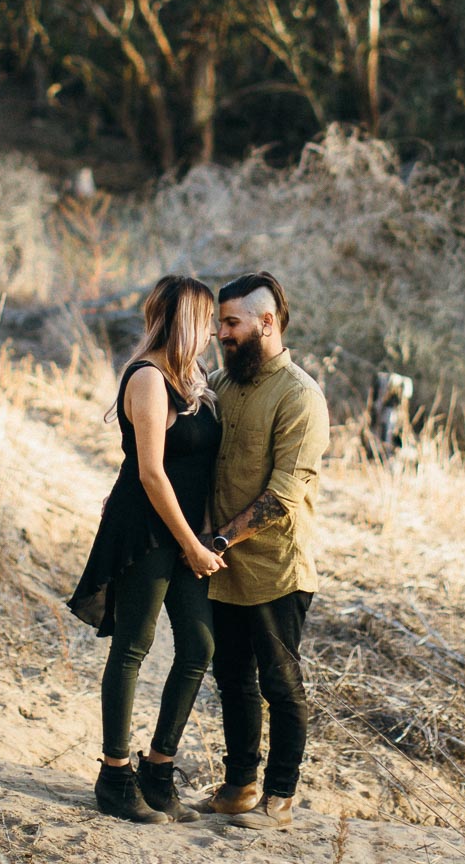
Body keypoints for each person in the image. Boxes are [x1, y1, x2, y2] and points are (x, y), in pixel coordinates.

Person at [67, 275, 228, 824]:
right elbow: (152, 473)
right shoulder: (148, 378)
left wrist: (203, 536)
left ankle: (158, 769)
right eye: (207, 319)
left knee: (199, 647)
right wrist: (189, 542)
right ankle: (114, 776)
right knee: (133, 646)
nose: (213, 330)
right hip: (147, 528)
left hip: (186, 532)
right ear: (186, 320)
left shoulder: (196, 376)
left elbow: (200, 467)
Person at [195, 272, 331, 831]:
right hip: (222, 568)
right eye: (219, 324)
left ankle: (280, 798)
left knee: (281, 684)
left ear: (266, 323)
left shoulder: (300, 395)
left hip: (276, 568)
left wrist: (219, 540)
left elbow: (282, 497)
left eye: (231, 323)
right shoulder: (224, 388)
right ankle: (239, 787)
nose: (220, 334)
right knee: (232, 678)